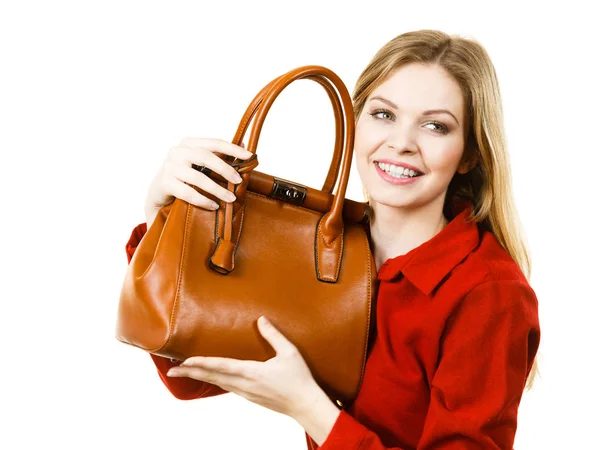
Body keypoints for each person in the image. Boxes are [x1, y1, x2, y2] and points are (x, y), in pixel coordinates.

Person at [124, 29, 540, 449]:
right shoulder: (326, 247)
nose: (400, 143)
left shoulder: (489, 292)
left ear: (470, 153)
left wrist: (312, 410)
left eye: (436, 126)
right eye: (383, 114)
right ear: (355, 121)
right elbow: (190, 375)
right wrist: (163, 216)